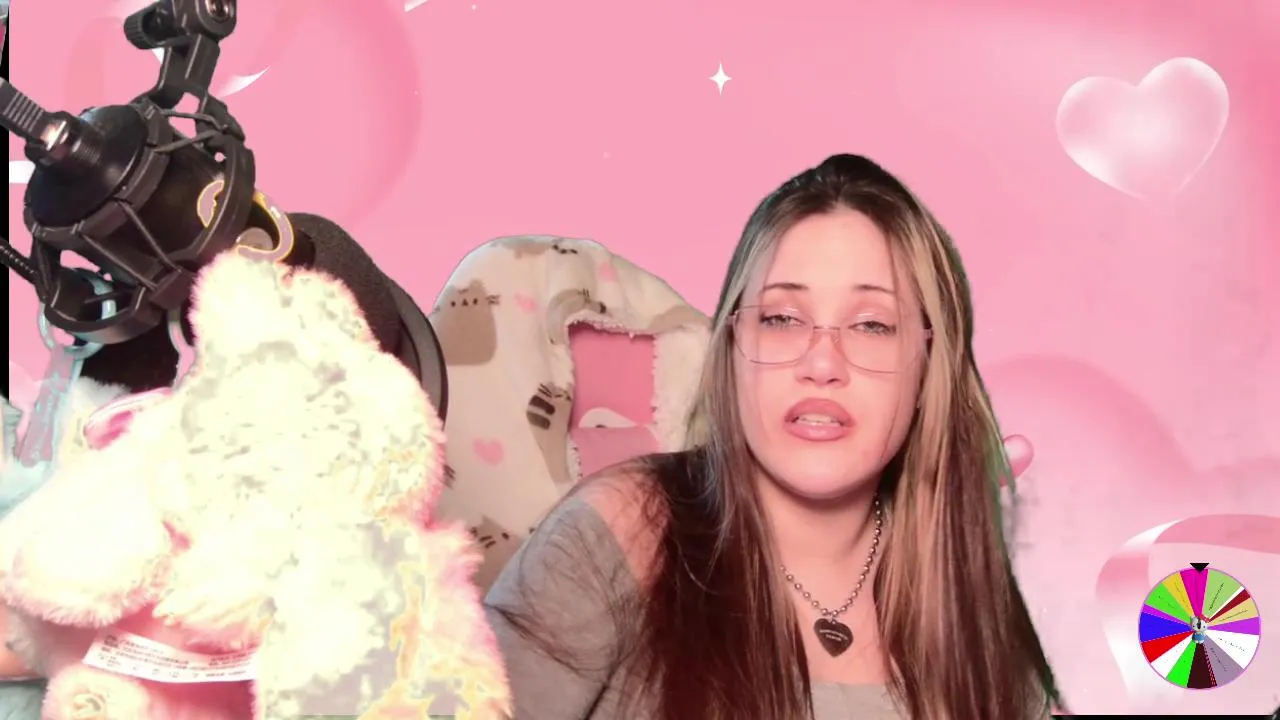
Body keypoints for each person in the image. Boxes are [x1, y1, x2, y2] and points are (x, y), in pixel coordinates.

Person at [483, 154, 1063, 719]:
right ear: (733, 347)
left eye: (871, 324)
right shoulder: (625, 531)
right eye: (782, 318)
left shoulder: (961, 578)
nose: (822, 363)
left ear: (928, 367)